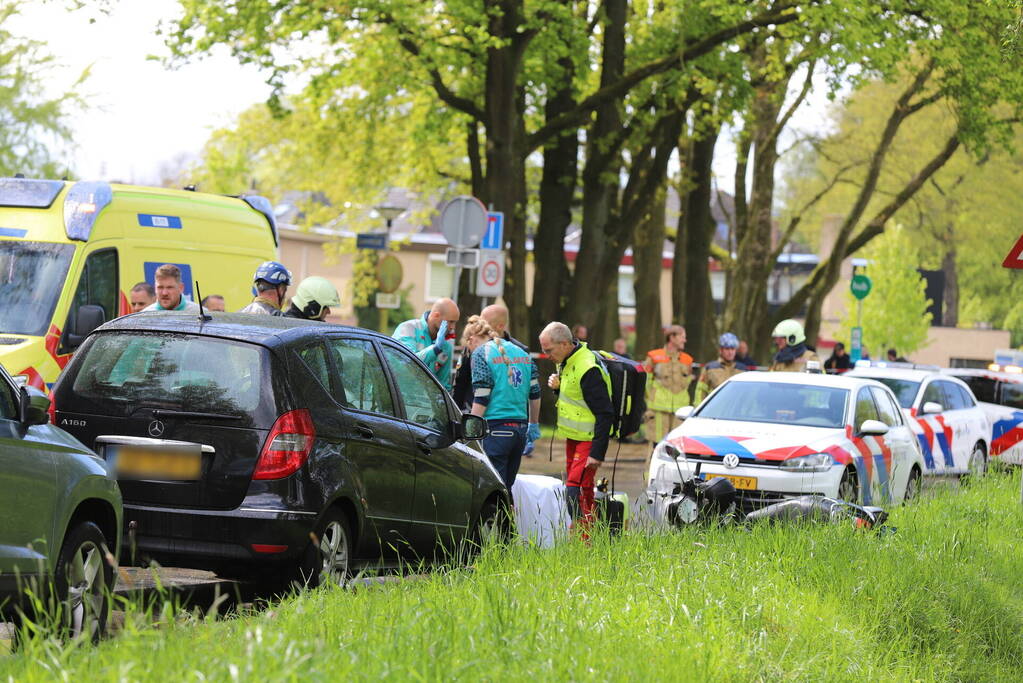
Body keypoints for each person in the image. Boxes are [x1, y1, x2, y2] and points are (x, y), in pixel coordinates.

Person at [539, 322, 613, 530]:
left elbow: (604, 412)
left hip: (588, 440)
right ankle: (590, 533)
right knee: (585, 487)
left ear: (564, 343)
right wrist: (558, 388)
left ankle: (581, 538)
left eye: (549, 350)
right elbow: (577, 398)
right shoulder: (567, 360)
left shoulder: (587, 367)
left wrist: (597, 453)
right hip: (573, 437)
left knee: (574, 488)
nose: (547, 356)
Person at [462, 316, 540, 492]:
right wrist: (533, 424)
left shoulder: (481, 353)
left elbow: (482, 395)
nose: (470, 352)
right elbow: (535, 393)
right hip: (520, 431)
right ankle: (507, 519)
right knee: (507, 487)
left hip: (495, 429)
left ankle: (496, 521)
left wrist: (471, 427)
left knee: (492, 489)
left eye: (469, 348)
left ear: (472, 339)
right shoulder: (522, 353)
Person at [393, 298, 460, 391]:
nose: (453, 327)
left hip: (424, 404)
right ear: (436, 315)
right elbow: (408, 363)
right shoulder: (408, 329)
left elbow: (444, 386)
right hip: (397, 397)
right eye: (450, 321)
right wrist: (435, 349)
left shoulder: (446, 346)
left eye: (455, 322)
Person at [643, 325, 694, 443]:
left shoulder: (687, 360)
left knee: (677, 446)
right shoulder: (654, 357)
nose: (685, 340)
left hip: (679, 413)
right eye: (682, 337)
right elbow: (645, 382)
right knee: (657, 446)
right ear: (672, 338)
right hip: (658, 412)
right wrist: (650, 400)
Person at [694, 333, 747, 404]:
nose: (730, 352)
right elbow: (700, 391)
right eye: (727, 349)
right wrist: (698, 411)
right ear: (721, 350)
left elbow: (747, 394)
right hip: (714, 411)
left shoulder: (742, 370)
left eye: (732, 349)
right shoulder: (710, 368)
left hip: (736, 412)